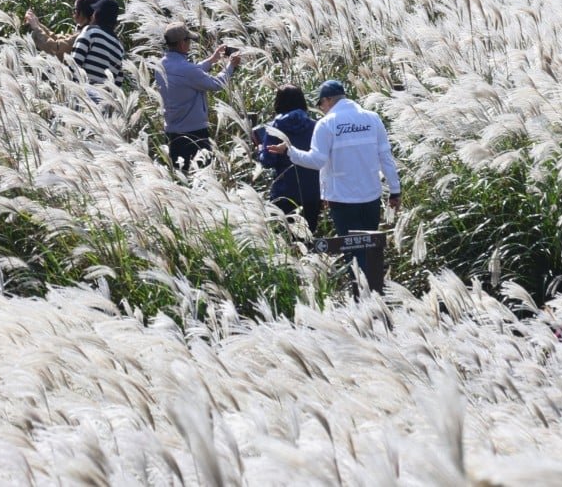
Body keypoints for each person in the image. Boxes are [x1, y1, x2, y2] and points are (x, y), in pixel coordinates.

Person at [266, 80, 401, 293]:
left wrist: (289, 151)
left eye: (321, 104)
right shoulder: (372, 119)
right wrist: (395, 191)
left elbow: (316, 161)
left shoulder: (327, 124)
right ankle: (375, 295)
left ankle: (363, 298)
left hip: (342, 199)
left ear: (328, 100)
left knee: (354, 252)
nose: (321, 109)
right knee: (370, 247)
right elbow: (386, 157)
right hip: (371, 197)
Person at [154, 22, 241, 170]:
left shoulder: (160, 65)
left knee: (180, 176)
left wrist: (212, 59)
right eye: (189, 41)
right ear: (182, 43)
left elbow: (190, 73)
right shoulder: (187, 70)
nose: (190, 44)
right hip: (194, 134)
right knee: (202, 176)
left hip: (171, 133)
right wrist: (231, 66)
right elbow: (216, 84)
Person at [252, 85, 322, 232]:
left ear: (279, 102)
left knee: (285, 239)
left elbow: (268, 161)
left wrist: (260, 150)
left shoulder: (274, 128)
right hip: (312, 191)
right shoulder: (316, 126)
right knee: (309, 237)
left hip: (284, 192)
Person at [25, 0, 105, 60]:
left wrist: (36, 28)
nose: (73, 13)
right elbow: (61, 41)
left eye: (76, 9)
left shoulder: (88, 32)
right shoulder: (89, 28)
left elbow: (56, 50)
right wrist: (37, 24)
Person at [72, 0, 124, 92]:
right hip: (104, 98)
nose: (91, 16)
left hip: (83, 94)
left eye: (94, 12)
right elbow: (118, 83)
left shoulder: (91, 32)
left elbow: (74, 63)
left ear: (97, 15)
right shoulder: (119, 47)